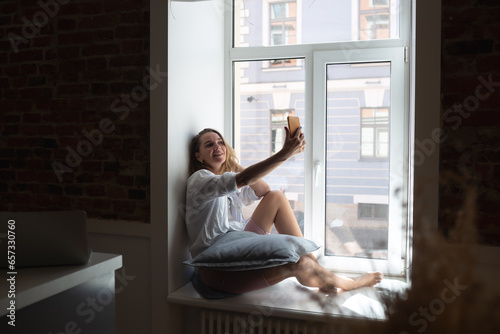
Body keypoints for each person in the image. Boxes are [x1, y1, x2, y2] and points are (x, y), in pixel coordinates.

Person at [185, 127, 383, 295]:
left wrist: (232, 162)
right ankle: (349, 283)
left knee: (276, 198)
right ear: (198, 156)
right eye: (209, 145)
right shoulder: (200, 180)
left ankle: (321, 274)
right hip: (215, 267)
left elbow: (264, 190)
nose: (218, 147)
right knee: (299, 264)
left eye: (220, 142)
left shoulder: (225, 181)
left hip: (235, 243)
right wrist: (284, 154)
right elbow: (244, 179)